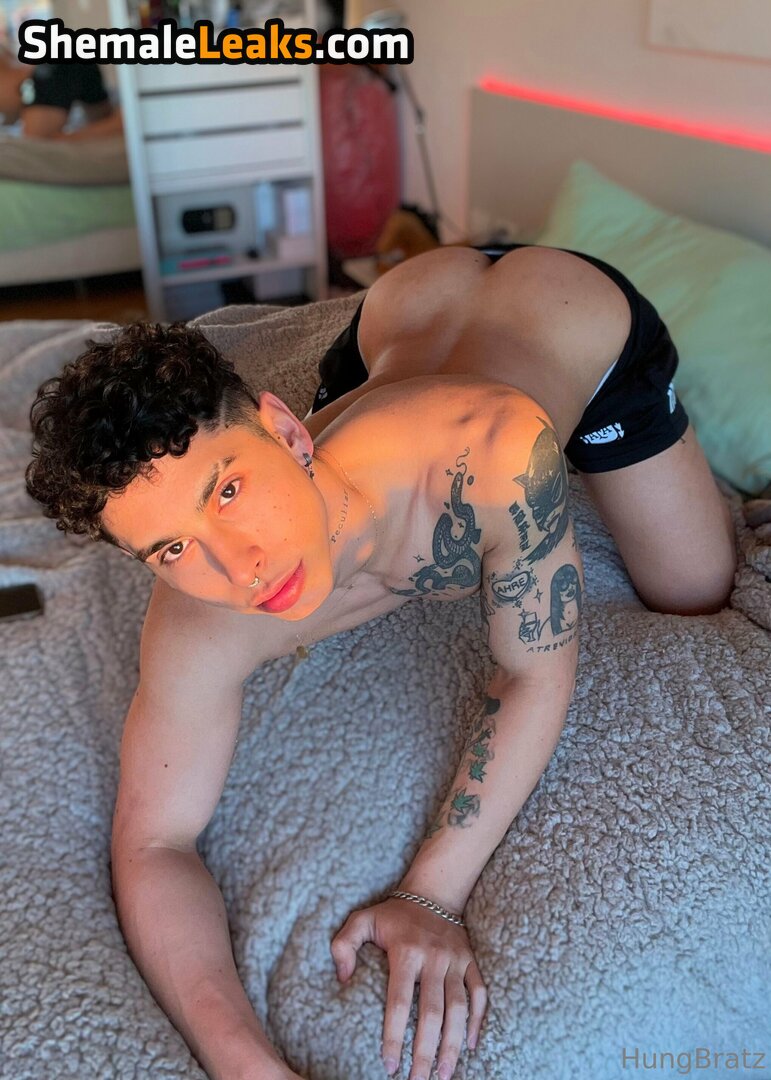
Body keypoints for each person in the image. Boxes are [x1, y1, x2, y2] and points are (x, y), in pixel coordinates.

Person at [25, 243, 736, 1080]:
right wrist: (245, 1062)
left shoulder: (494, 454)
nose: (239, 566)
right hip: (399, 316)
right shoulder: (194, 625)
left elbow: (532, 672)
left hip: (570, 308)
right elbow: (153, 842)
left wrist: (431, 893)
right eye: (172, 547)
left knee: (694, 589)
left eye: (227, 490)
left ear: (287, 429)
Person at [0, 51, 122, 139]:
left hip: (44, 73)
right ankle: (124, 121)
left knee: (38, 143)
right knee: (103, 121)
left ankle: (124, 122)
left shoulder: (31, 84)